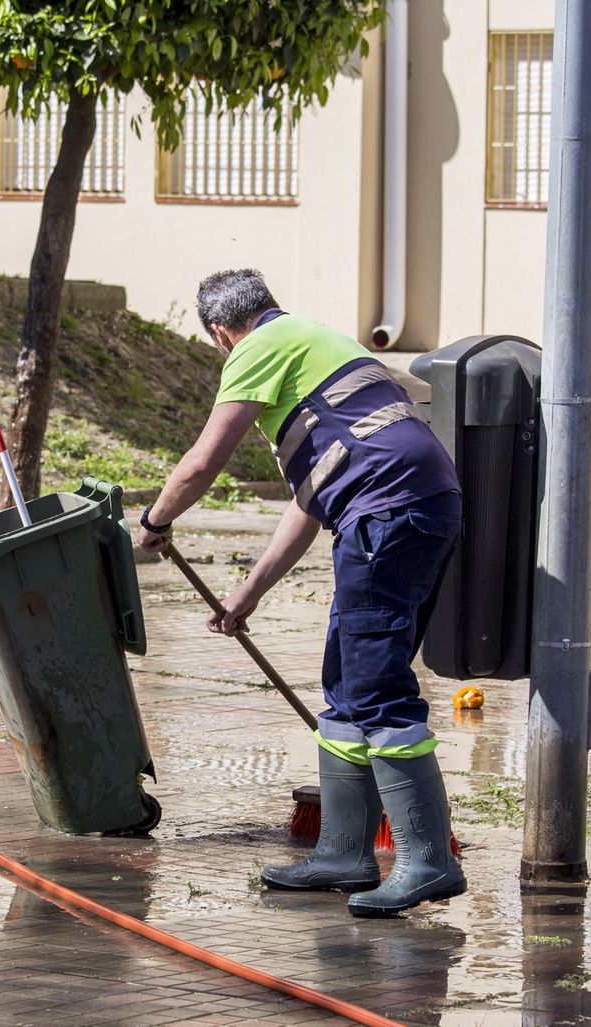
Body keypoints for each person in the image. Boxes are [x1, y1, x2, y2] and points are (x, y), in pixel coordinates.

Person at [135, 269, 465, 917]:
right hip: (415, 506)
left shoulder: (257, 349)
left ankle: (429, 859)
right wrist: (246, 596)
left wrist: (154, 521)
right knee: (346, 684)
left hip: (386, 514)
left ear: (221, 333)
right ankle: (344, 851)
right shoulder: (317, 342)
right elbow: (311, 502)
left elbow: (204, 461)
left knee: (377, 691)